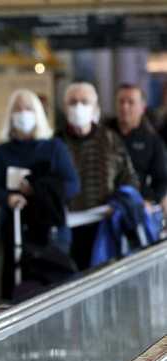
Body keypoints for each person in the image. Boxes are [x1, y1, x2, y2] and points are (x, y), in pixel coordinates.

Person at [0, 89, 80, 299]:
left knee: (55, 290)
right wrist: (9, 199)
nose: (23, 113)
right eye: (18, 109)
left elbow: (73, 185)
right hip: (15, 231)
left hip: (52, 232)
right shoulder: (3, 152)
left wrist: (38, 190)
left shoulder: (54, 148)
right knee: (18, 289)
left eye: (28, 108)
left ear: (38, 113)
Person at [57, 82, 140, 270]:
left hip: (106, 226)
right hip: (67, 230)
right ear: (65, 107)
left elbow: (130, 179)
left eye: (84, 102)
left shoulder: (110, 140)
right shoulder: (56, 143)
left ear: (95, 108)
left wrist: (118, 204)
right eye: (73, 102)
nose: (78, 107)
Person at [106, 84, 167, 213]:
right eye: (121, 102)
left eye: (131, 102)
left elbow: (162, 179)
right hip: (104, 202)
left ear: (142, 107)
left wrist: (151, 200)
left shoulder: (153, 140)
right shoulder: (102, 133)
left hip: (138, 202)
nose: (124, 107)